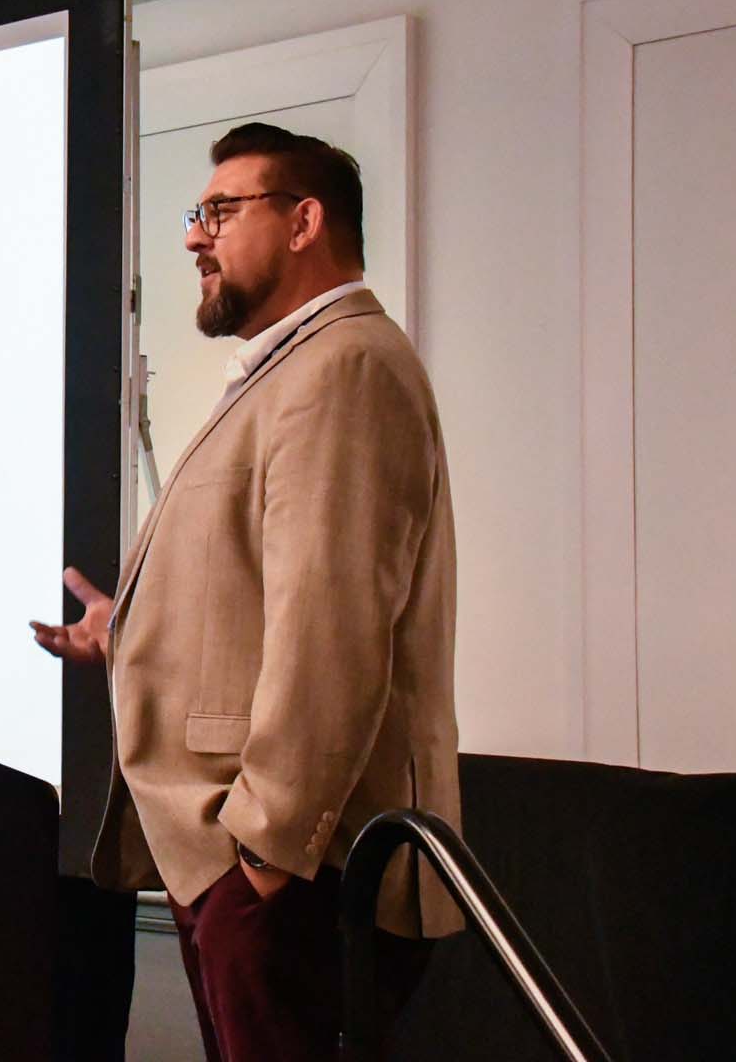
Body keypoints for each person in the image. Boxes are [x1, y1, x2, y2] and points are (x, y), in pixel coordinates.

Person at [31, 122, 463, 1061]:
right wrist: (128, 633)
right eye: (198, 213)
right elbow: (259, 603)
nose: (196, 236)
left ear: (305, 222)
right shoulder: (294, 368)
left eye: (222, 211)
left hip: (298, 872)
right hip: (271, 871)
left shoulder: (345, 367)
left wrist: (261, 857)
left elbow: (334, 631)